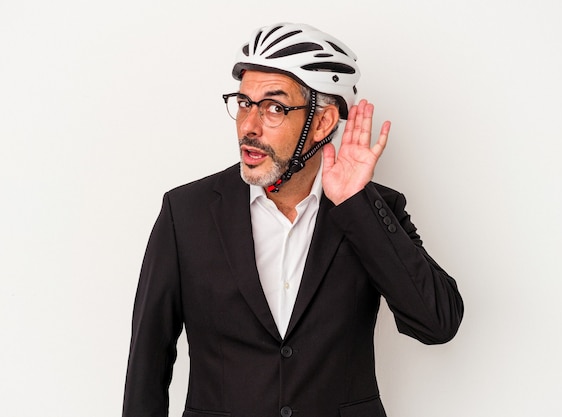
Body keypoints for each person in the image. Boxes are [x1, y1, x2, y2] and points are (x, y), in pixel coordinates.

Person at [122, 22, 464, 417]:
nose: (248, 126)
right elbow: (147, 364)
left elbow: (438, 324)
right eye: (244, 103)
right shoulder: (186, 213)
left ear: (322, 123)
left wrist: (355, 204)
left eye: (274, 107)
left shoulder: (372, 210)